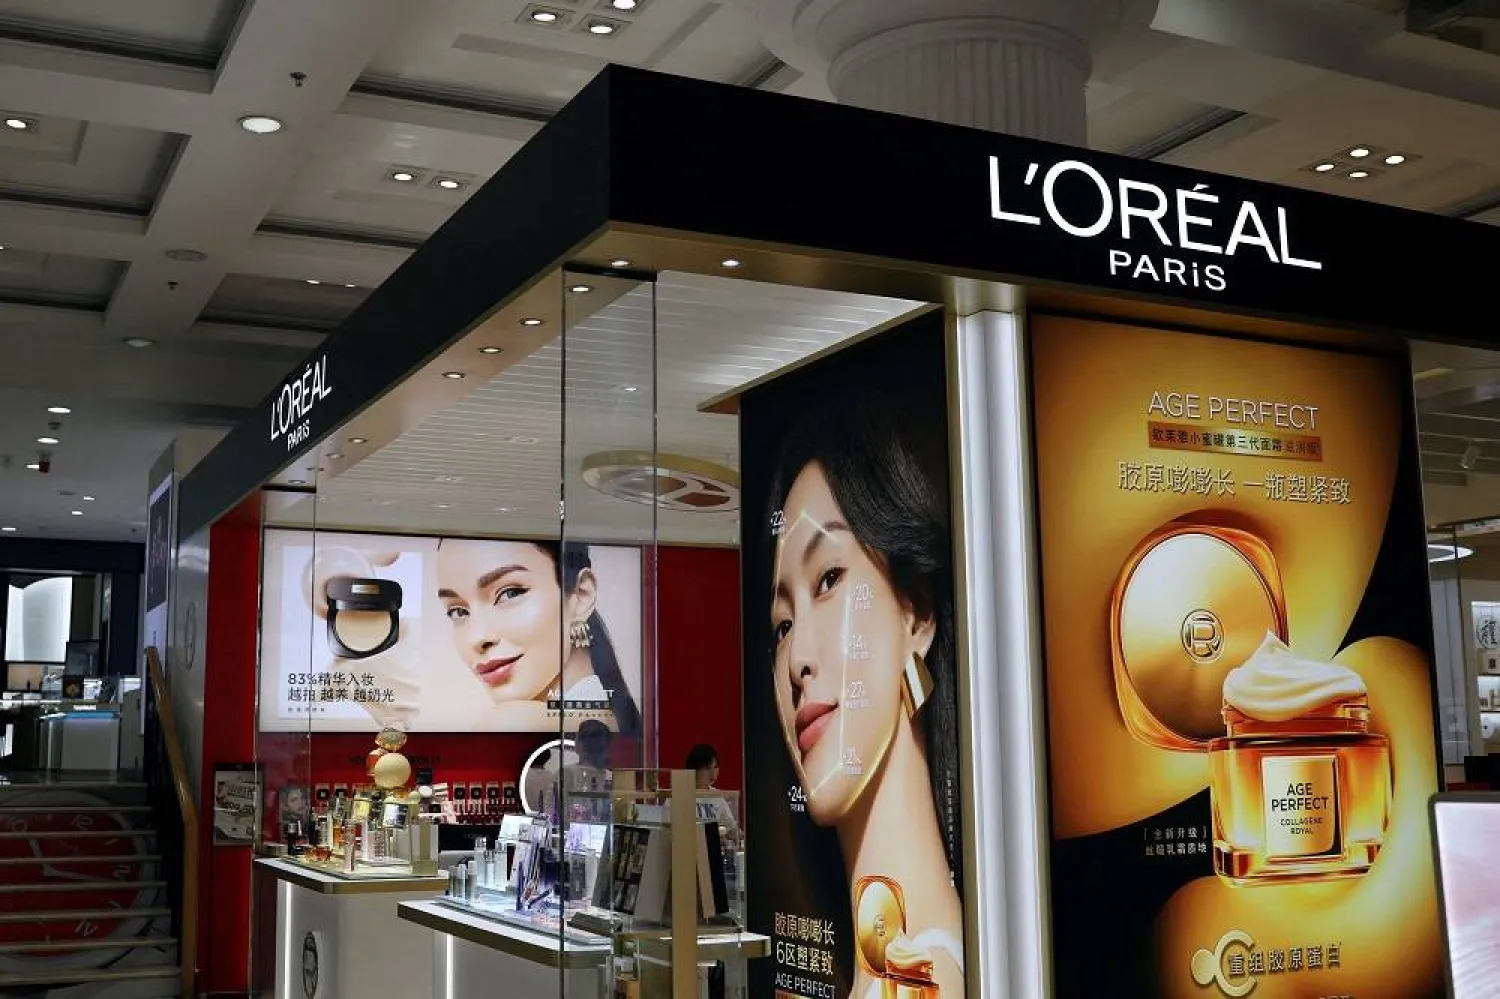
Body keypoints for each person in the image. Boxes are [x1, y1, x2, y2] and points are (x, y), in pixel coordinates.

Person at [764, 393, 965, 999]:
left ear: (917, 612)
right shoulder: (886, 974)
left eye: (829, 579)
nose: (797, 660)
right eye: (781, 626)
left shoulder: (921, 979)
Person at [435, 539, 641, 733]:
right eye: (458, 612)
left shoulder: (510, 723)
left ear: (580, 594)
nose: (476, 637)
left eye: (510, 593)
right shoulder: (611, 722)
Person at [686, 743, 740, 843]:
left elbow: (731, 827)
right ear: (694, 770)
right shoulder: (679, 794)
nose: (713, 773)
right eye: (707, 768)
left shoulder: (716, 795)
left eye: (715, 767)